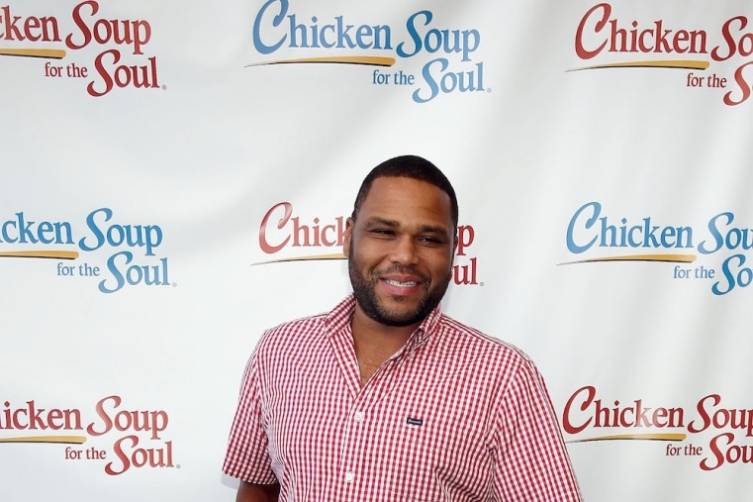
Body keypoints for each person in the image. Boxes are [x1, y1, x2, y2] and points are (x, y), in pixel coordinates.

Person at [223, 155, 582, 501]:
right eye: (383, 231)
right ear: (349, 236)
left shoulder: (503, 377)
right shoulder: (279, 352)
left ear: (454, 250)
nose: (405, 256)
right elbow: (259, 486)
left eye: (429, 239)